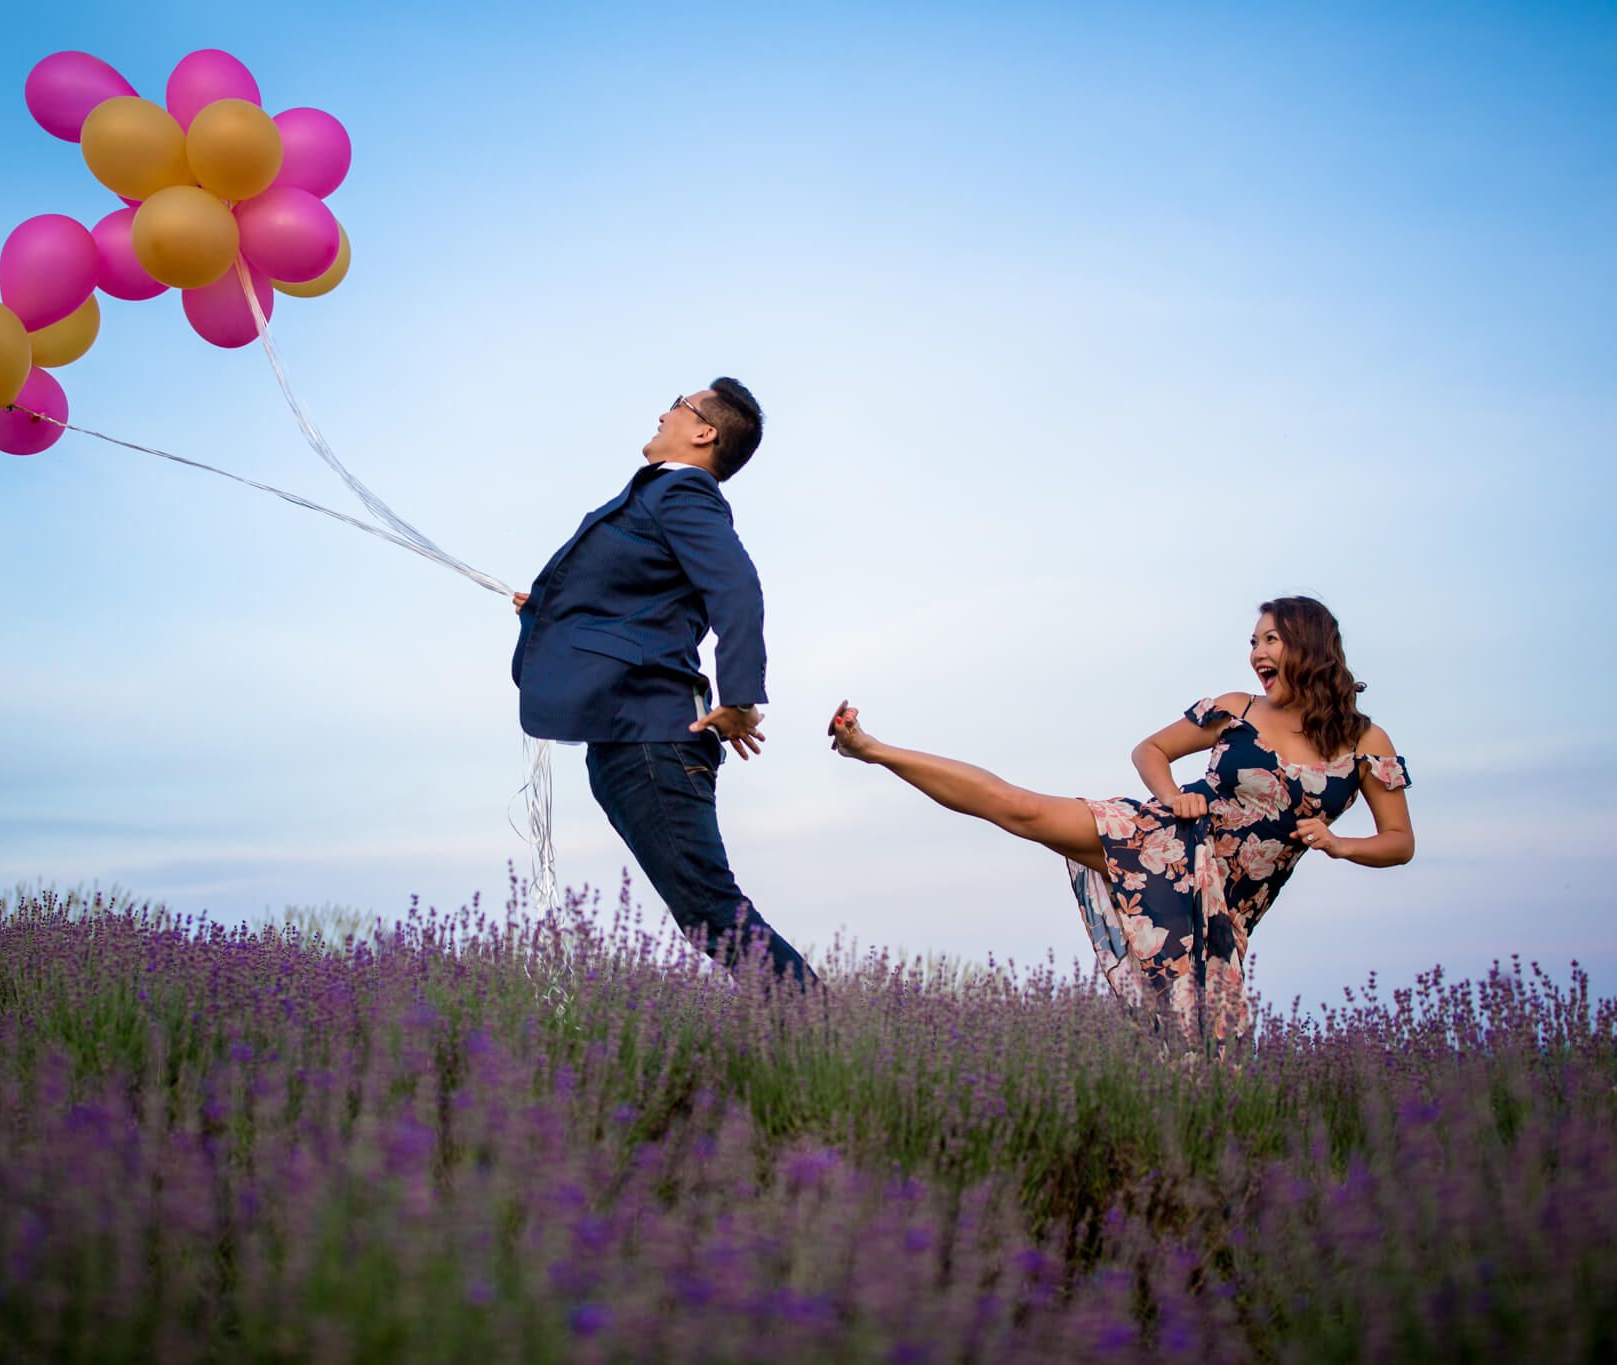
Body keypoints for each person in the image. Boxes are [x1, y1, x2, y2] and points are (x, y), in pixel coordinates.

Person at [827, 596, 1412, 1048]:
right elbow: (1150, 750)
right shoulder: (1236, 708)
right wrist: (1172, 797)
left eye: (1271, 640)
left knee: (1200, 1051)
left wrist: (1340, 844)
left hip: (1226, 908)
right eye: (1252, 641)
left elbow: (1399, 842)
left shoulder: (1365, 743)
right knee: (1023, 808)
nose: (1256, 653)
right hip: (1168, 844)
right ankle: (874, 749)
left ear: (1310, 646)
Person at [511, 380, 815, 985]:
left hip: (653, 737)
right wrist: (548, 609)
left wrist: (739, 698)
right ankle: (820, 1035)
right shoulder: (667, 497)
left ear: (705, 432)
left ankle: (826, 1037)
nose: (662, 411)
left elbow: (738, 590)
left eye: (678, 404)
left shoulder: (684, 492)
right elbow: (635, 604)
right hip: (628, 737)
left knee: (709, 908)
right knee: (706, 910)